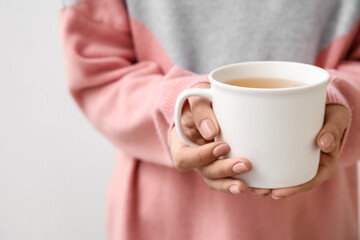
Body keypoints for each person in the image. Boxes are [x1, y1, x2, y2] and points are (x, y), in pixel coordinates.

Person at [60, 0, 360, 239]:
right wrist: (177, 109)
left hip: (315, 221)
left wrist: (342, 103)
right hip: (163, 220)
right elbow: (97, 72)